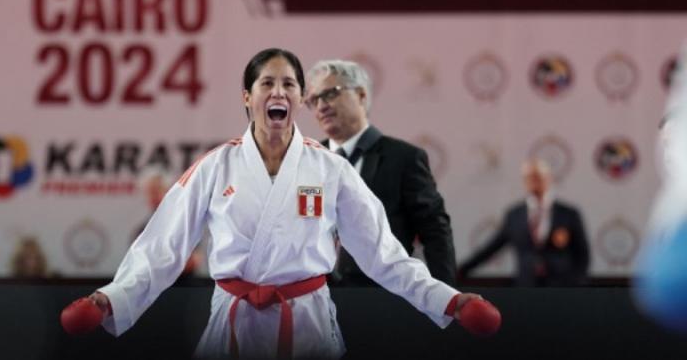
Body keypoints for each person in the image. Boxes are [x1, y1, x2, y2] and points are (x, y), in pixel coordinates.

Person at [85, 48, 480, 359]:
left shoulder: (329, 168)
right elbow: (162, 248)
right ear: (247, 96)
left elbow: (383, 254)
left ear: (298, 98)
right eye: (267, 83)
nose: (279, 92)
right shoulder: (215, 166)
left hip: (307, 324)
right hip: (232, 326)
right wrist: (111, 299)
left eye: (289, 84)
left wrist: (448, 300)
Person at [305, 59, 456, 285]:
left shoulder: (403, 158)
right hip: (315, 300)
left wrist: (446, 303)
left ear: (361, 95)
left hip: (382, 299)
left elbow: (435, 232)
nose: (321, 106)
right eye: (314, 100)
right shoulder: (307, 160)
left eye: (330, 94)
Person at [459, 158, 590, 286]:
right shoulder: (514, 215)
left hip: (562, 288)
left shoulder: (568, 214)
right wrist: (459, 271)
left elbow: (583, 253)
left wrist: (577, 283)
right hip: (526, 287)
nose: (533, 181)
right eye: (529, 177)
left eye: (537, 176)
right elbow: (491, 248)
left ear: (549, 178)